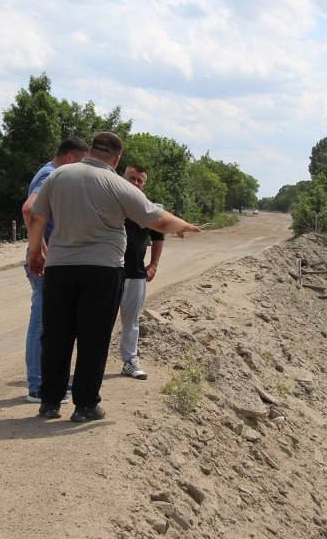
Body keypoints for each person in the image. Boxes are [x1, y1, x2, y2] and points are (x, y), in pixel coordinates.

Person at [27, 132, 200, 423]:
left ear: (91, 150)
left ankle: (49, 402)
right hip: (102, 270)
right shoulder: (118, 184)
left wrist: (35, 252)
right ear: (117, 158)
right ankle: (85, 405)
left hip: (59, 267)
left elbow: (35, 215)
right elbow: (155, 218)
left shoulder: (59, 176)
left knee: (56, 335)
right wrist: (184, 225)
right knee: (93, 338)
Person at [20, 137, 89, 401]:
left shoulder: (48, 172)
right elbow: (29, 209)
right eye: (81, 163)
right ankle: (37, 385)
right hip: (44, 261)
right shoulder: (50, 175)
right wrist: (40, 248)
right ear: (71, 158)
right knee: (41, 322)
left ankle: (49, 380)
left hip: (49, 258)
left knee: (49, 322)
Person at [117, 163, 163, 381]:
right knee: (97, 320)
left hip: (135, 273)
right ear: (122, 177)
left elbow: (159, 237)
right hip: (107, 272)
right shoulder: (111, 203)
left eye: (139, 180)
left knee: (131, 320)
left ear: (144, 184)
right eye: (132, 178)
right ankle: (86, 368)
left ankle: (130, 361)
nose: (135, 183)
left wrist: (153, 265)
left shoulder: (148, 208)